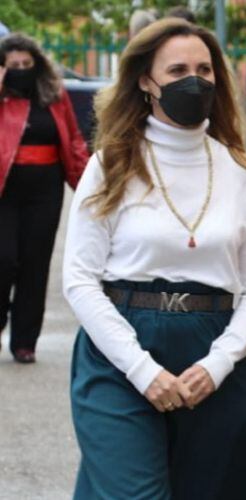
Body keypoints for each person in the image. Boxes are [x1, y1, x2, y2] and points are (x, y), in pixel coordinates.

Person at [63, 19, 246, 499]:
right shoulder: (111, 164)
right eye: (177, 68)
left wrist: (220, 362)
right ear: (145, 80)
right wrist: (141, 369)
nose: (193, 80)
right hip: (121, 350)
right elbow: (78, 278)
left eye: (204, 68)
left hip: (215, 351)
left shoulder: (238, 172)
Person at [0, 33, 89, 363]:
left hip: (44, 191)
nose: (21, 69)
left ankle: (25, 341)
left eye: (27, 64)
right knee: (4, 260)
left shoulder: (54, 95)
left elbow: (74, 140)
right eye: (14, 65)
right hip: (4, 191)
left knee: (35, 266)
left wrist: (89, 187)